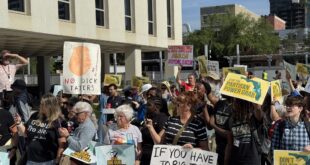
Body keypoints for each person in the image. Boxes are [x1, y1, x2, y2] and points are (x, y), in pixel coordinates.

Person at [15, 94, 66, 164]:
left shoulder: (58, 121)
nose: (40, 106)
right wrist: (19, 123)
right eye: (41, 103)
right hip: (30, 159)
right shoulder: (35, 116)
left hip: (47, 161)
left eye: (43, 104)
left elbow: (62, 145)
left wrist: (57, 160)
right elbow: (25, 134)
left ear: (50, 106)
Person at [228, 98, 264, 165]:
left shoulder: (253, 117)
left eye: (236, 102)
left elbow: (259, 112)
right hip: (236, 160)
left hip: (252, 161)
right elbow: (230, 143)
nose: (233, 104)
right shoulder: (232, 119)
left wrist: (257, 105)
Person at [140, 96, 169, 165]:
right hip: (144, 156)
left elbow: (159, 141)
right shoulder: (149, 117)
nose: (146, 107)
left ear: (157, 107)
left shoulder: (162, 118)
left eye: (149, 105)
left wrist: (150, 128)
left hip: (154, 157)